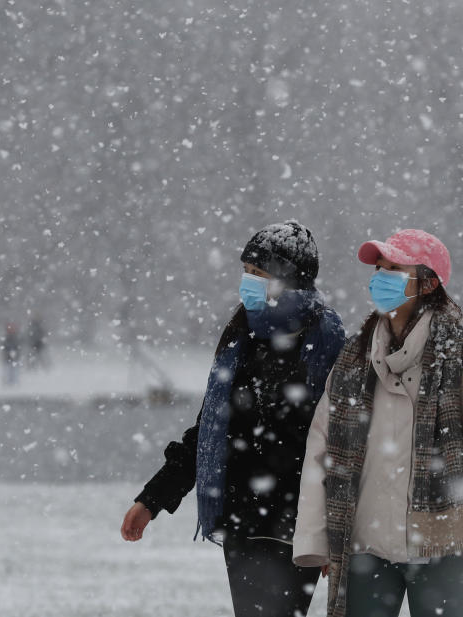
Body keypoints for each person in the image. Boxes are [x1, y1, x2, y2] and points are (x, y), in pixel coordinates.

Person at [120, 221, 346, 617]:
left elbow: (344, 441)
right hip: (243, 518)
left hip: (298, 521)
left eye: (259, 273)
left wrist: (335, 531)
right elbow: (208, 430)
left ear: (288, 279)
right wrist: (153, 499)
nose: (248, 281)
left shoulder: (325, 340)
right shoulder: (242, 334)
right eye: (246, 271)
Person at [292, 229, 463, 617]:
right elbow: (321, 447)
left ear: (428, 284)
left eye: (394, 269)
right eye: (379, 268)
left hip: (441, 543)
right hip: (365, 543)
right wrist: (317, 539)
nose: (380, 277)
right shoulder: (353, 357)